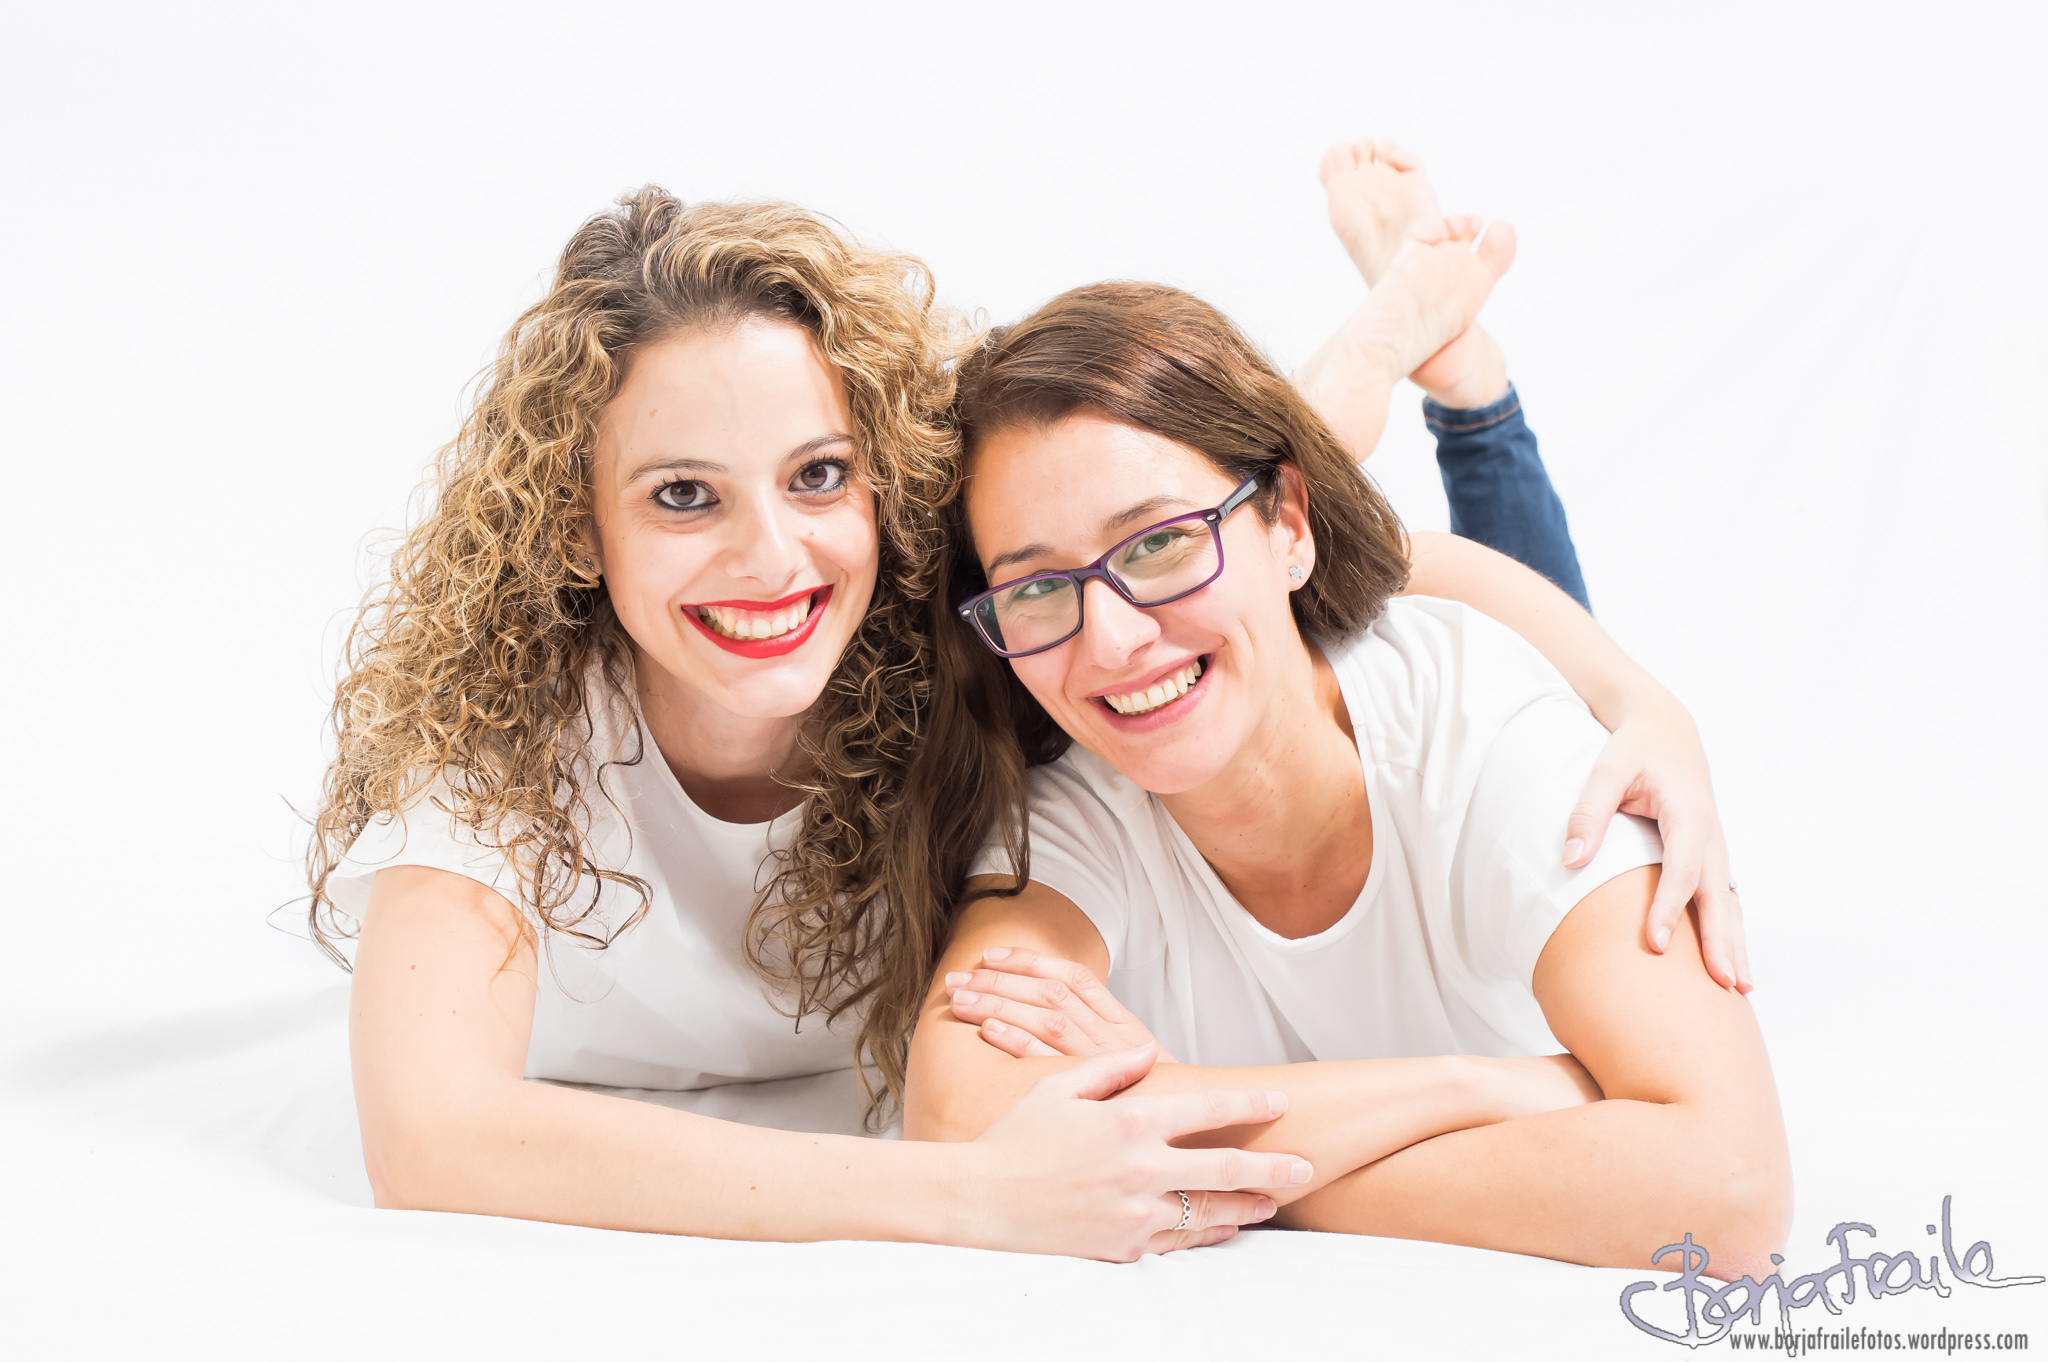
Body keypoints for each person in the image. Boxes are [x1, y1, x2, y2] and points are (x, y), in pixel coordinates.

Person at [306, 148, 1746, 1257]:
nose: (769, 557)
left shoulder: (957, 639)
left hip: (1337, 570)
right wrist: (966, 1195)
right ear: (575, 527)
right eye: (682, 495)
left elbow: (1373, 572)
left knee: (1234, 527)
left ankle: (1428, 367)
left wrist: (1640, 695)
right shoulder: (495, 739)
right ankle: (1392, 344)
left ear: (882, 482)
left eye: (818, 475)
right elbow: (432, 1140)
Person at [903, 261, 1790, 1280]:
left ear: (1289, 523)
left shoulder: (1490, 727)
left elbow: (1728, 1193)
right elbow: (961, 1124)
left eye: (1158, 545)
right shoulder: (1065, 811)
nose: (1109, 640)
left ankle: (1470, 398)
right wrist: (1474, 1087)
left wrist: (1202, 1170)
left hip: (1421, 634)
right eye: (1035, 589)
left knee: (1504, 609)